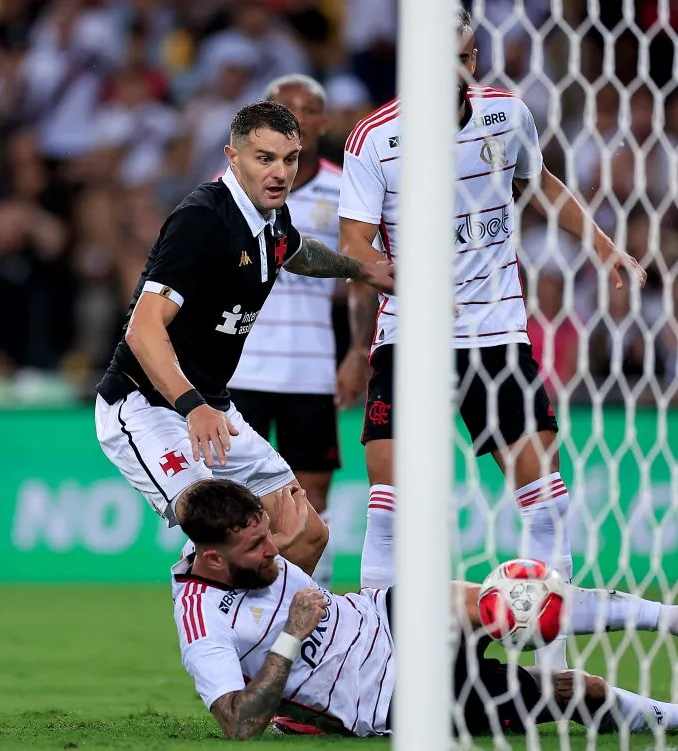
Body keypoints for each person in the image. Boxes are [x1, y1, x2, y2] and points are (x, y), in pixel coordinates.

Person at [337, 9, 646, 666]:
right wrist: (401, 275)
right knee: (390, 501)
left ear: (473, 60)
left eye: (466, 56)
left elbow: (542, 185)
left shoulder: (507, 115)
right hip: (408, 338)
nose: (458, 68)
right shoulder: (373, 137)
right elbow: (353, 244)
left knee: (546, 497)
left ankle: (554, 665)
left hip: (497, 333)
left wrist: (603, 245)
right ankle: (372, 657)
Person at [171, 479, 678, 740]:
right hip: (392, 696)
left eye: (265, 535)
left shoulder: (256, 546)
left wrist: (303, 527)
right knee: (576, 689)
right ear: (213, 560)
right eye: (254, 547)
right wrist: (289, 640)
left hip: (387, 615)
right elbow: (236, 723)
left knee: (525, 601)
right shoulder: (203, 618)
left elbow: (294, 550)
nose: (271, 552)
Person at [95, 101, 393, 574]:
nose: (279, 172)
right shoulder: (203, 219)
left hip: (214, 406)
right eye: (264, 158)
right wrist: (192, 406)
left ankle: (283, 648)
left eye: (289, 159)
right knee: (220, 539)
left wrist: (363, 271)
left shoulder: (271, 215)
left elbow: (297, 252)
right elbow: (143, 328)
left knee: (305, 534)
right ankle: (207, 644)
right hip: (146, 405)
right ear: (233, 157)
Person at [228, 74, 369, 588]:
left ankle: (315, 611)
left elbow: (360, 278)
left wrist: (357, 351)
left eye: (306, 110)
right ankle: (240, 610)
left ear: (322, 123)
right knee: (236, 501)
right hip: (238, 365)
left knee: (311, 498)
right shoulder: (231, 189)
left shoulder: (345, 185)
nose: (294, 117)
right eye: (281, 108)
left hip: (311, 367)